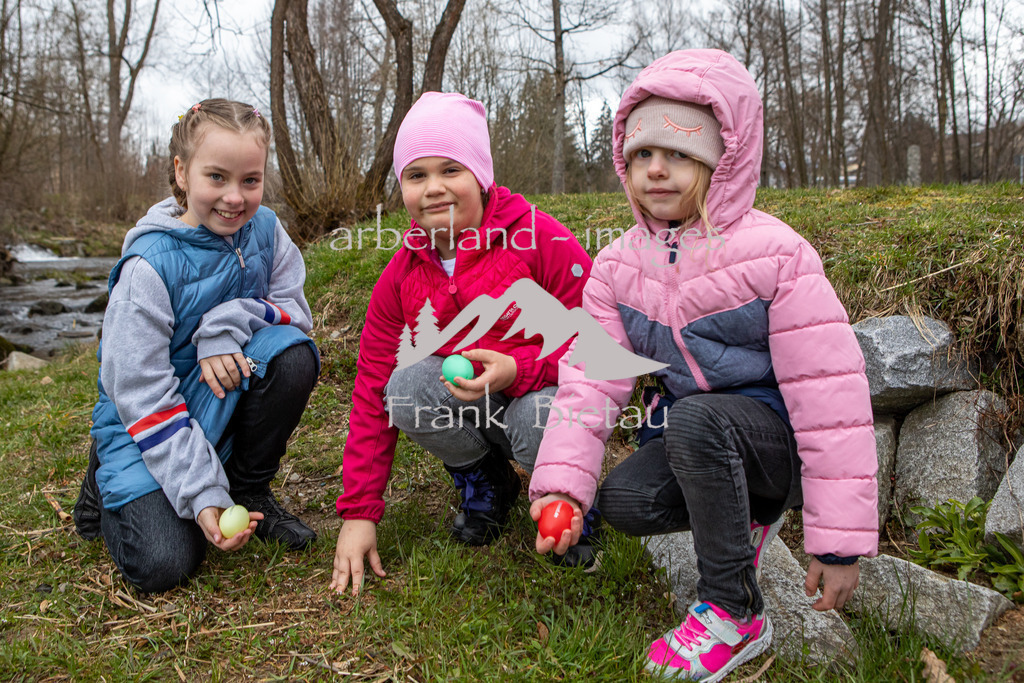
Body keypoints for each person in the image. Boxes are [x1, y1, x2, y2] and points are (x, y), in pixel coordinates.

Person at [527, 49, 878, 680]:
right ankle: (739, 518)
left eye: (680, 153)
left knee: (696, 421)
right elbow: (588, 383)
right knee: (628, 500)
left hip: (779, 444)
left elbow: (832, 398)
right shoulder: (615, 269)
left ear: (724, 161)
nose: (656, 169)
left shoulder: (776, 255)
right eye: (641, 154)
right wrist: (562, 486)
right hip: (704, 436)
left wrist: (836, 541)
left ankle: (733, 611)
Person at [330, 92, 594, 595]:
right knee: (403, 387)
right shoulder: (402, 276)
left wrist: (519, 368)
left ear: (481, 175)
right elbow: (371, 387)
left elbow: (596, 341)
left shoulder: (542, 240)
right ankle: (488, 480)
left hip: (542, 393)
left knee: (542, 415)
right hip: (476, 407)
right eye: (416, 175)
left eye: (451, 169)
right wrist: (359, 512)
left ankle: (571, 497)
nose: (433, 188)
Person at [72, 98, 320, 594]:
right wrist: (204, 494)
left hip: (216, 399)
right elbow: (141, 391)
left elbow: (296, 310)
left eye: (250, 180)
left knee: (293, 354)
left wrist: (226, 324)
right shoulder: (148, 268)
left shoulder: (267, 231)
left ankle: (249, 488)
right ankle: (102, 483)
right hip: (146, 421)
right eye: (216, 178)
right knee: (167, 563)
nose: (235, 197)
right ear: (182, 173)